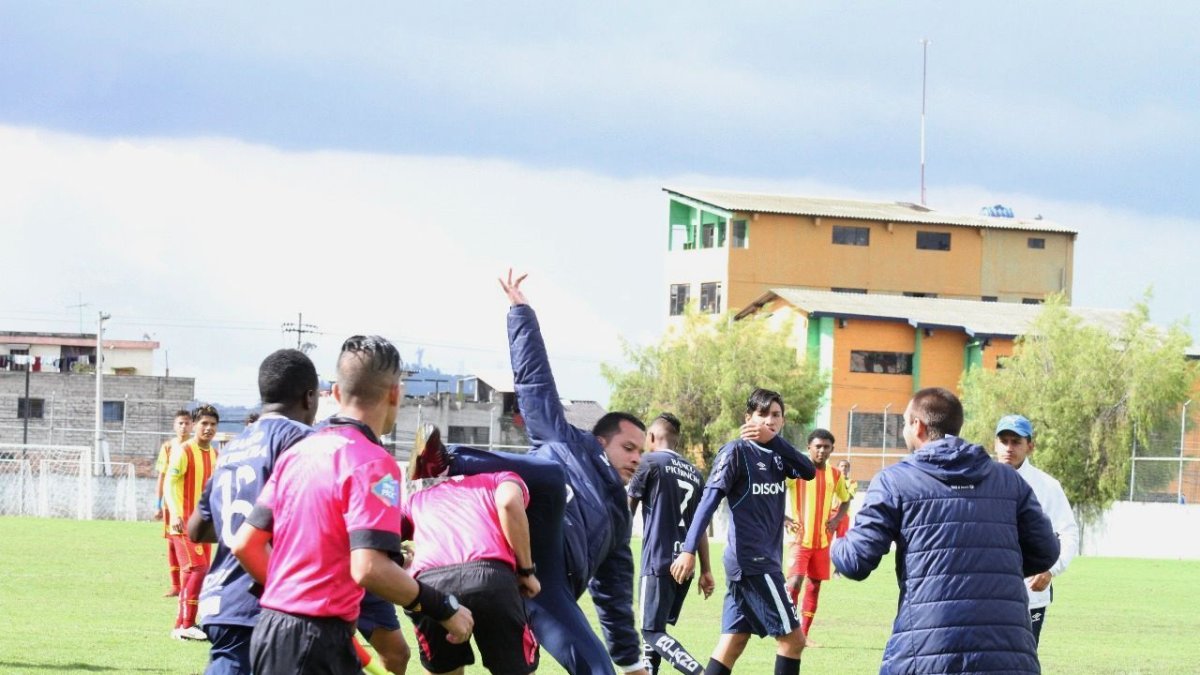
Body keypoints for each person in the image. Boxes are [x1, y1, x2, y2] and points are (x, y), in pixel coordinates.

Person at [410, 270, 649, 675]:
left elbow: (615, 596)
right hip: (506, 543)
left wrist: (630, 662)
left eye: (642, 452)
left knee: (598, 670)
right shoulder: (565, 440)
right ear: (600, 441)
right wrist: (521, 314)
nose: (637, 459)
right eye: (629, 448)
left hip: (547, 582)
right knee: (551, 474)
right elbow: (535, 383)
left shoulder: (619, 519)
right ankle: (446, 460)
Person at [232, 335, 473, 675]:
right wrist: (444, 607)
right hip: (315, 640)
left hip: (271, 629)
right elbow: (369, 568)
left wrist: (292, 597)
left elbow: (246, 544)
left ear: (335, 393)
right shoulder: (372, 462)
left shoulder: (297, 453)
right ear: (395, 393)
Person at [831, 388, 1060, 674]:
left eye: (904, 423)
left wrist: (834, 542)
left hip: (927, 651)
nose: (904, 431)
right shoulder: (1008, 480)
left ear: (918, 426)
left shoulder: (895, 481)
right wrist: (992, 565)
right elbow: (1046, 552)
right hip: (1008, 652)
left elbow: (855, 561)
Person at [185, 349, 319, 674]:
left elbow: (197, 529)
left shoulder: (233, 447)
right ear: (309, 397)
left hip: (222, 601)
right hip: (268, 604)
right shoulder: (301, 440)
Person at [670, 388, 817, 675]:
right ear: (748, 418)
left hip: (759, 562)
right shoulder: (735, 452)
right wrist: (688, 550)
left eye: (776, 415)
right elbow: (708, 502)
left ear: (783, 421)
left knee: (733, 642)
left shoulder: (777, 455)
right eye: (762, 414)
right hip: (753, 562)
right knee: (793, 641)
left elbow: (808, 471)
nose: (769, 421)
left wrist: (775, 441)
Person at [402, 426, 542, 675]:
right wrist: (527, 571)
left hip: (430, 587)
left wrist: (403, 560)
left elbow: (383, 535)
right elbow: (509, 503)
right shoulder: (502, 477)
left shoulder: (417, 497)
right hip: (491, 579)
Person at [627, 413, 713, 675]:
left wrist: (612, 548)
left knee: (651, 632)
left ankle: (699, 672)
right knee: (656, 632)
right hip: (684, 566)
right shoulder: (695, 474)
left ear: (651, 437)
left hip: (658, 561)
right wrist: (706, 570)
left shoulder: (649, 462)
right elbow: (701, 527)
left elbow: (626, 511)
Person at [995, 414, 1079, 646]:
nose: (1009, 448)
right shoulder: (979, 482)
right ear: (995, 443)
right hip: (987, 594)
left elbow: (1069, 533)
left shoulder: (1047, 486)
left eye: (1016, 442)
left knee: (1024, 659)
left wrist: (1051, 569)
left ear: (1030, 446)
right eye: (1004, 441)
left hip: (1030, 596)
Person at [783, 429, 850, 642]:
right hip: (799, 539)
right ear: (809, 448)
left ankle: (804, 635)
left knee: (814, 586)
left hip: (822, 541)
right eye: (817, 446)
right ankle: (788, 632)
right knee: (794, 583)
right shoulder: (795, 472)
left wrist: (837, 519)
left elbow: (846, 499)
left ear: (832, 449)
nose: (821, 450)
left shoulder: (835, 475)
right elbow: (773, 493)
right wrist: (784, 518)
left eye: (826, 447)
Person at [165, 404, 219, 640]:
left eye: (213, 424)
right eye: (204, 423)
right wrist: (175, 513)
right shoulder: (184, 451)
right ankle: (188, 624)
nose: (208, 428)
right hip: (183, 523)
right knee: (198, 569)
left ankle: (181, 625)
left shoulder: (215, 454)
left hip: (203, 526)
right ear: (195, 425)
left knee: (193, 572)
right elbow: (169, 483)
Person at [154, 409, 193, 598]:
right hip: (171, 504)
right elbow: (162, 476)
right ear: (174, 425)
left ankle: (191, 584)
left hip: (191, 503)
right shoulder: (168, 447)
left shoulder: (196, 446)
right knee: (172, 543)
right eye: (180, 423)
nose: (183, 426)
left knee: (192, 542)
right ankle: (176, 585)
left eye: (187, 423)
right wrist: (158, 504)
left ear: (192, 425)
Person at [832, 459, 856, 540]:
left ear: (849, 469)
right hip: (831, 513)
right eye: (842, 466)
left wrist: (841, 483)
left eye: (846, 466)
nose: (844, 468)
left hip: (844, 514)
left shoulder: (852, 482)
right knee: (826, 538)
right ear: (838, 468)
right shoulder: (832, 480)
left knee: (842, 539)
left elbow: (850, 496)